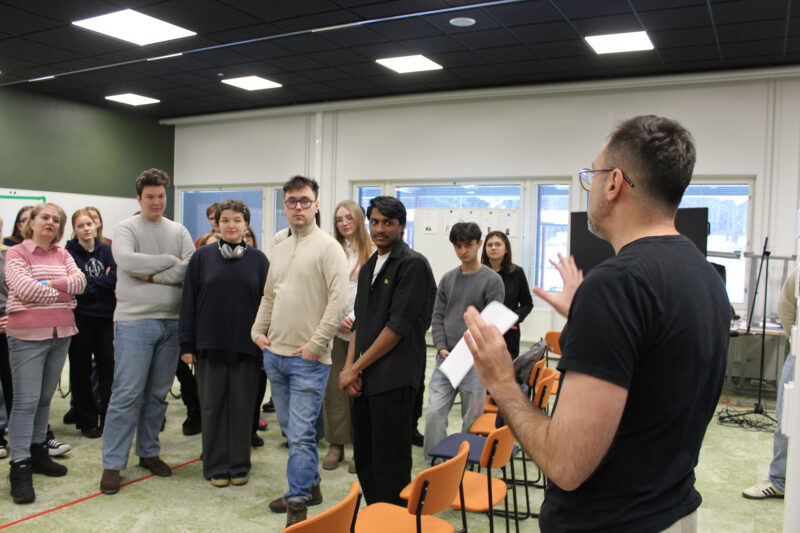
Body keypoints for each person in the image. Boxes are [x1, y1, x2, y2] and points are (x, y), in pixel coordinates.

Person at [462, 115, 730, 532]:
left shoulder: (617, 284)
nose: (590, 187)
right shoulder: (705, 274)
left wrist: (501, 382)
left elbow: (566, 465)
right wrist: (586, 318)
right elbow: (656, 366)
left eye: (592, 174)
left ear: (614, 183)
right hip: (672, 509)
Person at [251, 175, 348, 527]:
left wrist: (317, 345)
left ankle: (297, 503)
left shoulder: (328, 248)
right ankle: (311, 486)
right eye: (292, 201)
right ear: (284, 206)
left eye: (305, 201)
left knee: (303, 434)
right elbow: (270, 295)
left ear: (316, 204)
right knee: (293, 432)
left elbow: (338, 302)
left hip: (309, 359)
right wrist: (257, 331)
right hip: (275, 356)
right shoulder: (279, 247)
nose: (298, 207)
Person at [100, 168, 195, 495]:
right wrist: (169, 260)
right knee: (127, 393)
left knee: (157, 394)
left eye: (161, 196)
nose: (157, 202)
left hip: (171, 322)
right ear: (139, 198)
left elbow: (189, 269)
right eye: (150, 197)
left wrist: (154, 274)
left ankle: (149, 452)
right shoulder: (126, 228)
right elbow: (127, 262)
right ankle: (113, 463)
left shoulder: (179, 230)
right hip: (134, 322)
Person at [339, 196, 436, 505]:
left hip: (394, 380)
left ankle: (393, 520)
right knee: (366, 459)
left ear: (402, 226)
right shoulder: (369, 266)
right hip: (365, 380)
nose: (380, 229)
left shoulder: (412, 265)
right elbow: (360, 322)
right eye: (375, 222)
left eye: (388, 223)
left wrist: (355, 368)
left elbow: (396, 329)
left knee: (390, 464)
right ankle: (376, 516)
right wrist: (349, 367)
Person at [179, 199, 269, 488]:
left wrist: (266, 345)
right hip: (210, 345)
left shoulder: (259, 260)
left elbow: (268, 304)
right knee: (212, 407)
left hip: (247, 347)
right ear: (216, 224)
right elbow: (188, 301)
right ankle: (216, 465)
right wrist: (186, 344)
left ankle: (239, 464)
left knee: (243, 408)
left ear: (246, 225)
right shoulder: (201, 257)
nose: (231, 225)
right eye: (225, 220)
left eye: (237, 220)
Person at [5, 202, 87, 504]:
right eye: (44, 217)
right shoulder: (17, 253)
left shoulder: (63, 254)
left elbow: (80, 283)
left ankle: (38, 451)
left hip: (61, 334)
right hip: (27, 335)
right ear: (31, 223)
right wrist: (64, 293)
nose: (50, 222)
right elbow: (24, 289)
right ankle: (19, 466)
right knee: (25, 402)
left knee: (43, 399)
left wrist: (49, 284)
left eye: (56, 219)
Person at [423, 222, 503, 462]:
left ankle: (466, 464)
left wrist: (476, 350)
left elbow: (493, 322)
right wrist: (440, 346)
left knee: (472, 418)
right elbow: (437, 316)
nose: (463, 251)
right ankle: (435, 464)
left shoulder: (492, 280)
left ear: (479, 244)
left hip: (475, 361)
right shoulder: (448, 279)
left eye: (468, 245)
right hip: (446, 358)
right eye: (458, 246)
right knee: (434, 413)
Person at [322, 200, 374, 473]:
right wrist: (336, 319)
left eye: (348, 218)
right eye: (339, 219)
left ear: (359, 220)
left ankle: (361, 447)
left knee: (360, 388)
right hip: (334, 329)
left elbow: (373, 293)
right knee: (334, 390)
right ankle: (336, 444)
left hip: (362, 330)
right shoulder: (331, 250)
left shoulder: (373, 251)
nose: (343, 223)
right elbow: (323, 289)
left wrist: (353, 318)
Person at [742, 265, 797, 500]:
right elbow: (786, 307)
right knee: (786, 419)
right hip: (798, 355)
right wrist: (795, 341)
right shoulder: (798, 274)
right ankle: (779, 480)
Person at [65, 209, 117, 438]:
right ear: (74, 229)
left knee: (109, 369)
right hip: (80, 317)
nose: (86, 229)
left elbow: (115, 278)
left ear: (96, 225)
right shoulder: (68, 253)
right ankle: (86, 421)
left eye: (89, 224)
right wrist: (101, 281)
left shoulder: (107, 249)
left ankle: (108, 419)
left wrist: (90, 284)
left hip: (106, 318)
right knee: (81, 369)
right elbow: (76, 285)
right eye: (80, 225)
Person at [481, 230, 533, 358]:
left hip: (508, 334)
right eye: (490, 245)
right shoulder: (479, 273)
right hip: (483, 332)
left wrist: (513, 319)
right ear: (485, 249)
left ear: (506, 249)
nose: (493, 247)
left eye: (498, 244)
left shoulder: (517, 272)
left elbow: (527, 303)